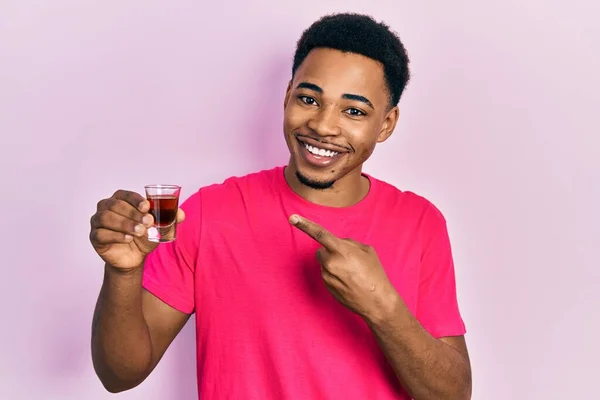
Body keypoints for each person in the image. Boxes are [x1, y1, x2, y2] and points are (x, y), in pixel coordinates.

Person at [89, 12, 472, 400]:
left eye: (353, 111)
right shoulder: (209, 213)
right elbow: (119, 374)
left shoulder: (420, 223)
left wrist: (384, 308)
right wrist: (123, 273)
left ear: (386, 124)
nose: (323, 126)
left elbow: (452, 395)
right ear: (287, 95)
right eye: (309, 99)